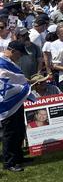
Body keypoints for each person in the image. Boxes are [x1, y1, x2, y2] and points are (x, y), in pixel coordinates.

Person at [0, 41, 32, 172]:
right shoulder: (2, 63)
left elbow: (17, 78)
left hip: (17, 100)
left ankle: (18, 156)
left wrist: (25, 84)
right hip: (7, 101)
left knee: (19, 130)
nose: (20, 57)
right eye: (20, 54)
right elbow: (3, 84)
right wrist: (22, 89)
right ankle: (9, 162)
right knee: (10, 132)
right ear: (13, 51)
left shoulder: (10, 62)